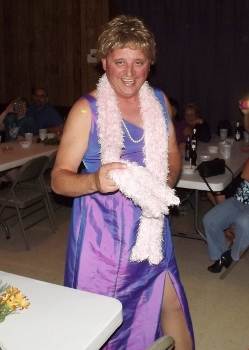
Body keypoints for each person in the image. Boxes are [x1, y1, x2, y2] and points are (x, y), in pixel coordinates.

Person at [51, 15, 194, 350]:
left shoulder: (159, 101)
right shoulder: (86, 111)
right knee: (103, 320)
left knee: (169, 300)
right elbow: (58, 180)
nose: (129, 73)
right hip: (103, 235)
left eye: (139, 63)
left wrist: (158, 190)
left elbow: (173, 155)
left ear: (150, 64)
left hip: (151, 222)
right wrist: (95, 181)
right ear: (104, 63)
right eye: (120, 62)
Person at [203, 159, 249, 273]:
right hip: (239, 199)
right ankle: (220, 257)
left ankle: (232, 256)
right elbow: (245, 174)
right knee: (210, 220)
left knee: (244, 223)